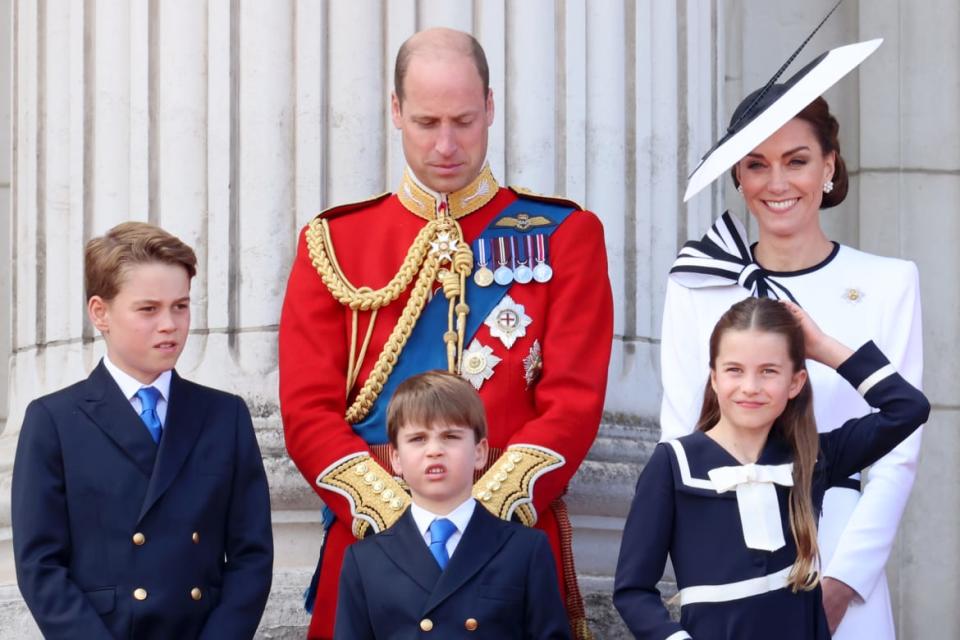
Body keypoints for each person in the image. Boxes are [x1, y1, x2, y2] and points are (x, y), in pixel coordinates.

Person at [279, 27, 612, 639]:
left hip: (507, 542)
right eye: (427, 122)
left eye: (464, 119)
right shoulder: (334, 243)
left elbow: (575, 401)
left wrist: (477, 515)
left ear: (491, 106)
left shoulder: (566, 235)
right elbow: (306, 411)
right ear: (395, 111)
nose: (447, 144)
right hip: (372, 542)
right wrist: (399, 515)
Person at [660, 37, 922, 639]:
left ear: (829, 165)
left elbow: (898, 453)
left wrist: (842, 586)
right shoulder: (698, 284)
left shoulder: (888, 283)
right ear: (738, 175)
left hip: (840, 549)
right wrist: (709, 571)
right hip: (732, 557)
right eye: (756, 163)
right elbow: (680, 435)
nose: (777, 182)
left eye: (797, 160)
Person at [12, 222, 274, 639]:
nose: (169, 324)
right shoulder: (54, 420)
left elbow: (251, 556)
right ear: (100, 313)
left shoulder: (225, 416)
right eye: (148, 309)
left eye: (181, 306)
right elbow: (39, 565)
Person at [616, 297, 929, 639]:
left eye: (769, 371)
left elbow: (908, 408)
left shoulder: (814, 456)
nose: (750, 386)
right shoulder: (673, 463)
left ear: (795, 383)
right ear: (715, 378)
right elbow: (633, 591)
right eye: (734, 369)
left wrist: (822, 345)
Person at [334, 371, 571, 639]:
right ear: (396, 459)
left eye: (450, 437)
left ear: (479, 452)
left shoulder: (525, 550)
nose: (434, 450)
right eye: (418, 439)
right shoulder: (365, 560)